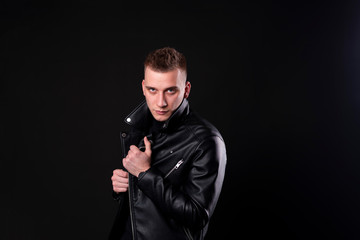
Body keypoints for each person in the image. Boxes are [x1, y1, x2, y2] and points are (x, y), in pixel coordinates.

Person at [109, 47, 226, 240]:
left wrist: (145, 174)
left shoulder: (206, 141)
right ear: (143, 87)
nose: (160, 102)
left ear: (186, 90)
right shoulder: (139, 127)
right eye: (152, 90)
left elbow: (197, 216)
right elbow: (141, 204)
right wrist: (121, 186)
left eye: (170, 90)